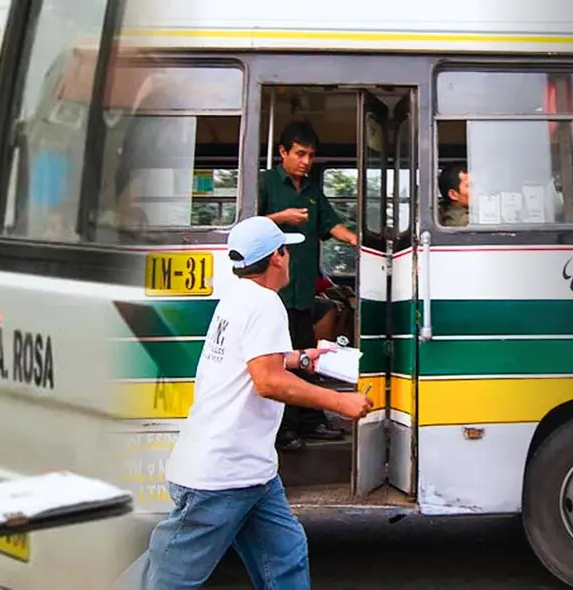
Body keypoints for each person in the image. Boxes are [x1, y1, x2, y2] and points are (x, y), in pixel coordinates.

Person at [116, 216, 372, 590]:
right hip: (223, 475)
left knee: (285, 558)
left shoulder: (238, 297)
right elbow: (267, 381)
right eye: (286, 250)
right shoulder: (264, 303)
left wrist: (302, 358)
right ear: (277, 257)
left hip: (251, 471)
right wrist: (339, 401)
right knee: (166, 579)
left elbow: (254, 360)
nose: (289, 258)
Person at [258, 120, 358, 451]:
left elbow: (332, 225)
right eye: (300, 154)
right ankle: (284, 430)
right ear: (282, 152)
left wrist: (357, 240)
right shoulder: (265, 183)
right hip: (273, 293)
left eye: (311, 156)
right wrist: (281, 218)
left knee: (306, 357)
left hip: (302, 293)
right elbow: (248, 226)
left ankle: (311, 422)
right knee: (281, 362)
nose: (306, 161)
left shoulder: (313, 190)